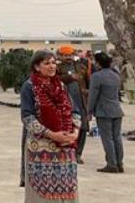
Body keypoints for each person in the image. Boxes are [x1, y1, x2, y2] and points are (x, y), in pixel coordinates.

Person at [20, 50, 79, 202]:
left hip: (65, 146)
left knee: (67, 189)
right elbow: (27, 117)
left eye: (53, 62)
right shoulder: (29, 87)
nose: (52, 66)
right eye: (47, 63)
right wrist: (52, 134)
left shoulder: (60, 85)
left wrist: (76, 132)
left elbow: (75, 111)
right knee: (41, 194)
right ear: (37, 67)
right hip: (40, 149)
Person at [88, 51, 125, 173]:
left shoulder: (97, 76)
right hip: (117, 110)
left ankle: (111, 164)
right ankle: (119, 163)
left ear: (98, 63)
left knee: (107, 138)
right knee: (117, 138)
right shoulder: (115, 75)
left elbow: (93, 96)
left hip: (104, 111)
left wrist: (89, 111)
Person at [57, 46, 89, 164]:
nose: (68, 57)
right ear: (60, 56)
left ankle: (78, 154)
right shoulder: (57, 68)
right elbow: (55, 80)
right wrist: (69, 77)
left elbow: (88, 83)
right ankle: (68, 153)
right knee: (67, 128)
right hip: (65, 103)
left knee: (83, 128)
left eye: (70, 55)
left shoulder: (81, 67)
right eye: (65, 55)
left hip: (81, 103)